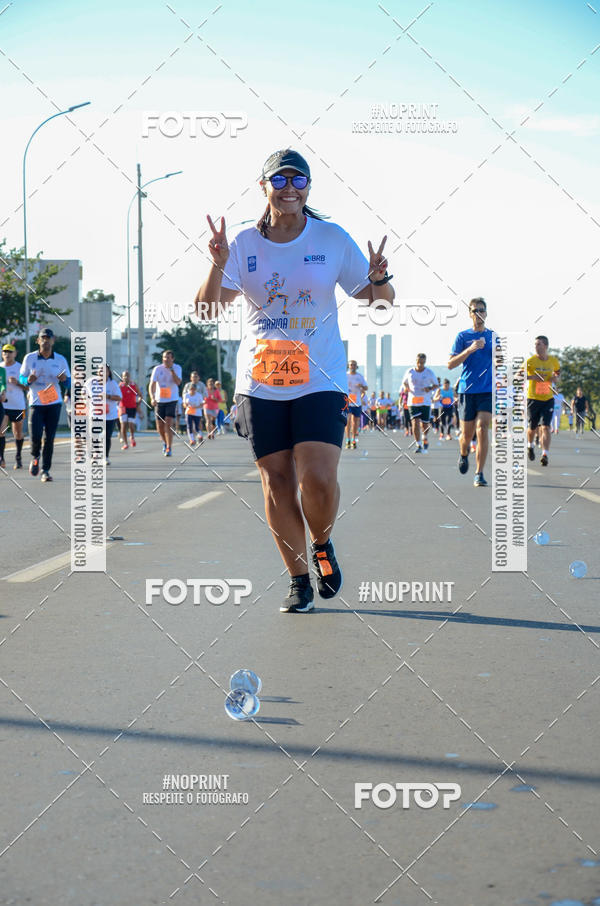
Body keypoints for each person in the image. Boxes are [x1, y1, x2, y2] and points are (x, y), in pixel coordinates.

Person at [194, 147, 394, 613]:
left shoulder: (331, 239)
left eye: (297, 180)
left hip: (320, 377)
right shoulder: (242, 243)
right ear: (263, 186)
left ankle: (322, 544)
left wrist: (381, 278)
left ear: (308, 187)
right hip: (261, 381)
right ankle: (299, 579)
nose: (288, 189)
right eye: (279, 180)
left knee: (319, 480)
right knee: (277, 482)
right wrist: (218, 260)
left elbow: (379, 302)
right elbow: (207, 309)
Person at [448, 298, 493, 487]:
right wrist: (470, 349)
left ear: (486, 313)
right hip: (467, 391)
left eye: (481, 310)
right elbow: (450, 364)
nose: (478, 314)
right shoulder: (462, 337)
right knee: (466, 435)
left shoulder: (493, 336)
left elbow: (500, 361)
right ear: (469, 314)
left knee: (482, 428)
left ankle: (479, 473)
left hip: (487, 390)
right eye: (475, 311)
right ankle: (464, 453)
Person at [19, 328, 70, 482]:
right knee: (35, 435)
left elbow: (69, 382)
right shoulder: (29, 358)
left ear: (53, 340)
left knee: (49, 438)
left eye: (49, 337)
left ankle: (45, 470)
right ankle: (35, 457)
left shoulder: (60, 359)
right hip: (36, 403)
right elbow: (21, 377)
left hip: (54, 403)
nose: (46, 340)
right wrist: (28, 380)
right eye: (43, 337)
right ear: (38, 340)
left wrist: (64, 380)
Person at [526, 337, 560, 467]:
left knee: (546, 427)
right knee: (532, 427)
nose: (536, 346)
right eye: (535, 344)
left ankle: (545, 454)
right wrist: (531, 377)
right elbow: (518, 375)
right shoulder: (530, 361)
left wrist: (556, 378)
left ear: (545, 346)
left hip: (548, 399)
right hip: (533, 399)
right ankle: (530, 446)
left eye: (538, 344)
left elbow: (557, 373)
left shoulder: (553, 361)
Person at [401, 354, 438, 453]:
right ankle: (418, 444)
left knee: (425, 425)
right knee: (415, 422)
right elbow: (404, 382)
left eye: (422, 362)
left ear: (425, 362)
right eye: (418, 362)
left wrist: (429, 388)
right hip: (412, 401)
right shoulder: (410, 371)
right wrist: (406, 388)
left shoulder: (429, 372)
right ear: (416, 361)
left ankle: (424, 437)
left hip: (425, 401)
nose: (420, 364)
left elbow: (436, 385)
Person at [86, 365, 122, 465]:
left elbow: (119, 398)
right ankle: (95, 455)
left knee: (107, 436)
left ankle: (105, 456)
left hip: (110, 415)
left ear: (108, 372)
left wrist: (108, 396)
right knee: (94, 435)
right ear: (97, 372)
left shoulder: (112, 384)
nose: (102, 372)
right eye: (100, 370)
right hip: (95, 413)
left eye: (104, 371)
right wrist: (86, 400)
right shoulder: (90, 382)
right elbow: (83, 392)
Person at [149, 350, 182, 456]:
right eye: (164, 357)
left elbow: (178, 382)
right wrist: (152, 397)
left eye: (168, 357)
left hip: (172, 399)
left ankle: (169, 447)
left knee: (168, 423)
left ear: (172, 359)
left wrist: (172, 371)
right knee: (159, 426)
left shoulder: (177, 368)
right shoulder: (157, 369)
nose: (165, 360)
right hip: (159, 400)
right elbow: (152, 384)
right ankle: (164, 442)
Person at [0, 344, 27, 469]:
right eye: (5, 352)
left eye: (10, 352)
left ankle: (18, 457)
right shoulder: (0, 367)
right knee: (2, 431)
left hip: (18, 405)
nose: (7, 354)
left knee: (18, 432)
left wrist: (17, 383)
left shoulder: (20, 367)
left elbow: (28, 387)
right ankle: (2, 458)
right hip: (4, 406)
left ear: (15, 354)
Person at [346, 360, 367, 449]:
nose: (353, 366)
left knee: (355, 422)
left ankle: (353, 439)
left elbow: (366, 387)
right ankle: (348, 439)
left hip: (357, 402)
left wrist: (361, 386)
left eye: (354, 365)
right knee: (348, 420)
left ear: (356, 366)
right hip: (347, 402)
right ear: (349, 366)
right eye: (351, 365)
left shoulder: (360, 376)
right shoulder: (345, 375)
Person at [119, 370, 141, 449]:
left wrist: (138, 403)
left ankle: (132, 436)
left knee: (131, 425)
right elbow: (116, 395)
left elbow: (140, 395)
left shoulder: (134, 385)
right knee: (124, 425)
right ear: (122, 377)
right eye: (124, 376)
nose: (126, 377)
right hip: (123, 407)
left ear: (130, 377)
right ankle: (125, 443)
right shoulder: (120, 386)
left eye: (127, 375)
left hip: (132, 407)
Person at [183, 380, 204, 445]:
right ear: (189, 389)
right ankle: (192, 439)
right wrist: (186, 405)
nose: (192, 390)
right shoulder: (186, 395)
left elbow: (202, 404)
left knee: (197, 426)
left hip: (197, 413)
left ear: (195, 389)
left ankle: (200, 435)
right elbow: (184, 404)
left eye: (194, 389)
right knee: (189, 426)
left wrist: (196, 407)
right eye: (191, 389)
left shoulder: (199, 395)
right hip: (189, 412)